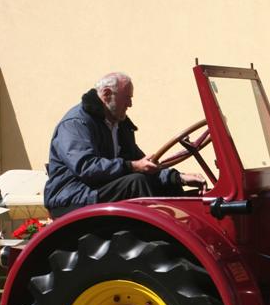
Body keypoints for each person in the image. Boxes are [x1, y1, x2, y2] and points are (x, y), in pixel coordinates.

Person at [43, 72, 204, 218]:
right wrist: (132, 166)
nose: (130, 104)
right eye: (127, 98)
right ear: (107, 94)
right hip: (72, 196)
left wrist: (178, 178)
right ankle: (158, 240)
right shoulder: (76, 123)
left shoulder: (119, 124)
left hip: (99, 189)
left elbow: (142, 163)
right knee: (137, 182)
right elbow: (86, 167)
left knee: (167, 186)